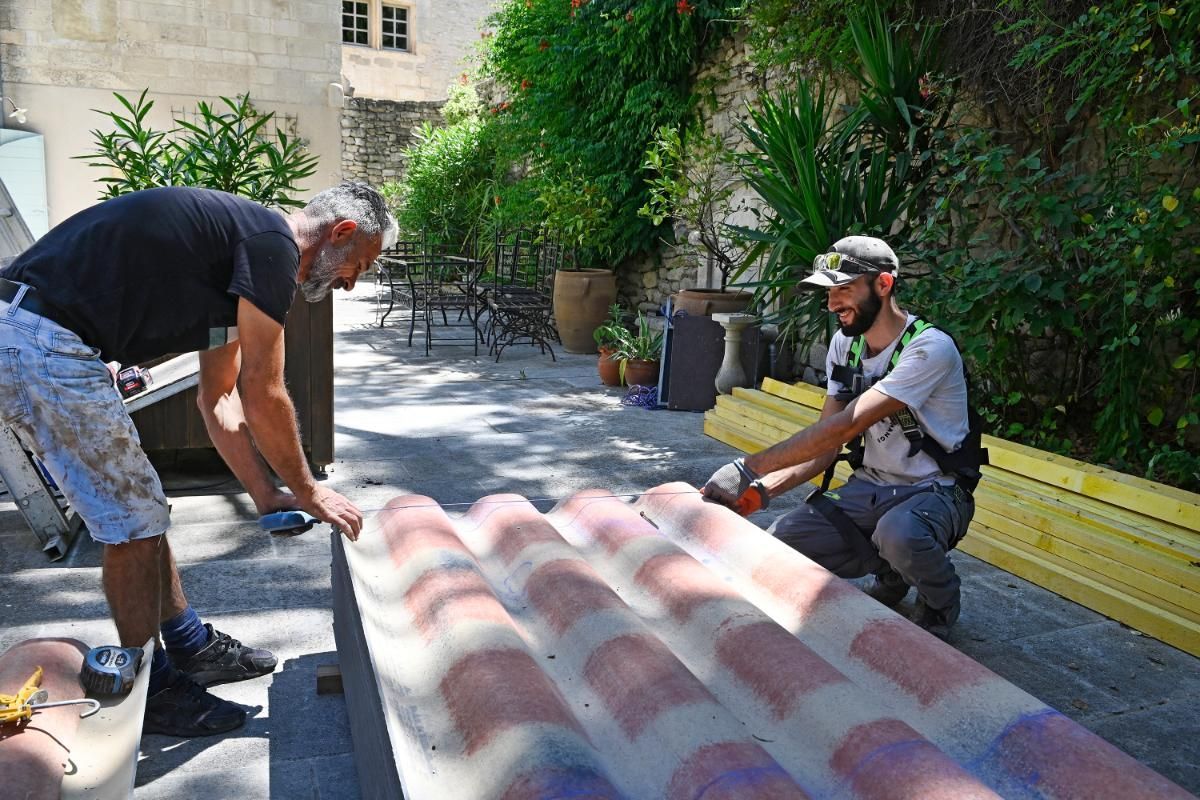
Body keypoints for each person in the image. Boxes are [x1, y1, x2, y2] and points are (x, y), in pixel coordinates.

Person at [0, 183, 397, 736]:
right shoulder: (272, 246)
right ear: (342, 232)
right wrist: (310, 491)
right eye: (360, 264)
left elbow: (218, 398)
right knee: (132, 524)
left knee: (143, 508)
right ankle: (151, 689)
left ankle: (188, 645)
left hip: (34, 332)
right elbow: (265, 392)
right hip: (38, 338)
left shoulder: (241, 263)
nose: (351, 282)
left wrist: (266, 493)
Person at [702, 235, 985, 641]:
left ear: (883, 284)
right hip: (871, 487)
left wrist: (747, 467)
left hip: (935, 491)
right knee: (782, 544)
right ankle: (892, 572)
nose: (833, 303)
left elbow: (845, 427)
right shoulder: (845, 344)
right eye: (829, 292)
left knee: (901, 534)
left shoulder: (928, 349)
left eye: (844, 289)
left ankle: (939, 603)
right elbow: (826, 446)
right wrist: (758, 492)